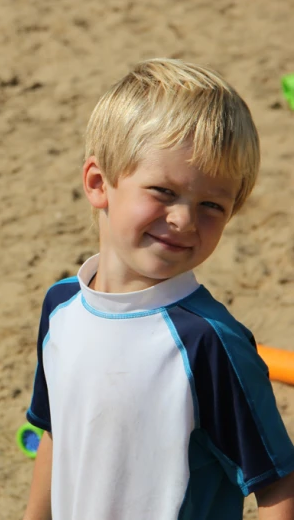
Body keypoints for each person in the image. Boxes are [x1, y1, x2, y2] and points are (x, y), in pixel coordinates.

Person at [22, 59, 294, 520]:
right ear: (97, 183)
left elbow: (275, 480)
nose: (185, 220)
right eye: (164, 192)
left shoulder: (208, 342)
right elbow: (56, 430)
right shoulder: (61, 306)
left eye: (211, 204)